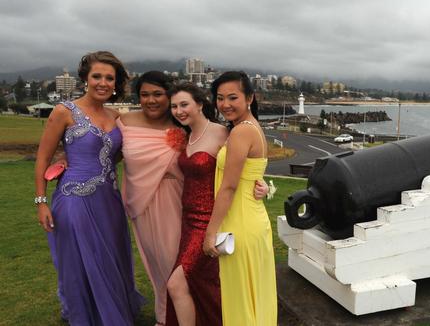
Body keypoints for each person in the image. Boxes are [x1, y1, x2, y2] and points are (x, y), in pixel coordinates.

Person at [34, 51, 144, 325]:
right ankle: (87, 315)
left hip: (109, 200)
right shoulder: (64, 111)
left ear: (116, 83)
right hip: (74, 200)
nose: (103, 82)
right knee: (81, 261)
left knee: (110, 258)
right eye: (97, 76)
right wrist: (41, 201)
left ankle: (110, 310)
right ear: (86, 78)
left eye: (110, 78)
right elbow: (42, 158)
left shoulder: (117, 116)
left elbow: (116, 154)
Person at [166, 83, 268, 326]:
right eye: (174, 106)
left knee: (176, 283)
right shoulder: (185, 136)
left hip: (209, 219)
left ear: (200, 104)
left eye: (184, 104)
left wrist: (263, 185)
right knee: (202, 284)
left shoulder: (224, 133)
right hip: (188, 219)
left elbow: (245, 168)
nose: (179, 111)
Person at [203, 71, 277, 326]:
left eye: (232, 97)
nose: (225, 104)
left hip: (241, 222)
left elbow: (229, 187)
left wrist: (210, 233)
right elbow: (252, 175)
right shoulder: (251, 127)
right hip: (251, 217)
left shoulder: (241, 132)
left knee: (241, 297)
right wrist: (265, 188)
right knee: (253, 293)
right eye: (220, 98)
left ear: (249, 98)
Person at [117, 71, 185, 325]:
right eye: (144, 95)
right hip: (143, 205)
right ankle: (165, 316)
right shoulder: (123, 122)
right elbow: (100, 151)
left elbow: (216, 156)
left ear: (169, 96)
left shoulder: (184, 122)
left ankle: (181, 316)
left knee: (176, 264)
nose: (151, 100)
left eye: (158, 94)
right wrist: (71, 158)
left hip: (178, 202)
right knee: (157, 265)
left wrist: (254, 183)